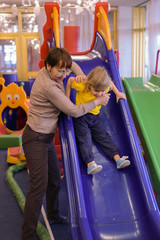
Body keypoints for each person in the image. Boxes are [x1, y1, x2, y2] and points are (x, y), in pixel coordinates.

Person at [21, 47, 110, 240]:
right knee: (38, 186)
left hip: (45, 138)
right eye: (59, 71)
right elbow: (74, 111)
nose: (63, 75)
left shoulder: (58, 72)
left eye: (66, 71)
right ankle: (26, 235)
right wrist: (98, 101)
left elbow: (74, 65)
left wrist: (82, 77)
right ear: (48, 66)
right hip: (35, 138)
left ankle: (52, 215)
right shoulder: (49, 86)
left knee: (54, 178)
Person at [66, 66, 131, 175]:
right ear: (90, 84)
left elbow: (110, 83)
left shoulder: (104, 86)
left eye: (102, 91)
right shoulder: (83, 85)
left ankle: (118, 159)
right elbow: (69, 81)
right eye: (96, 90)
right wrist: (66, 99)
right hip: (80, 117)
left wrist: (118, 93)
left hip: (95, 117)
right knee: (85, 139)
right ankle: (90, 164)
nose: (99, 94)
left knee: (103, 137)